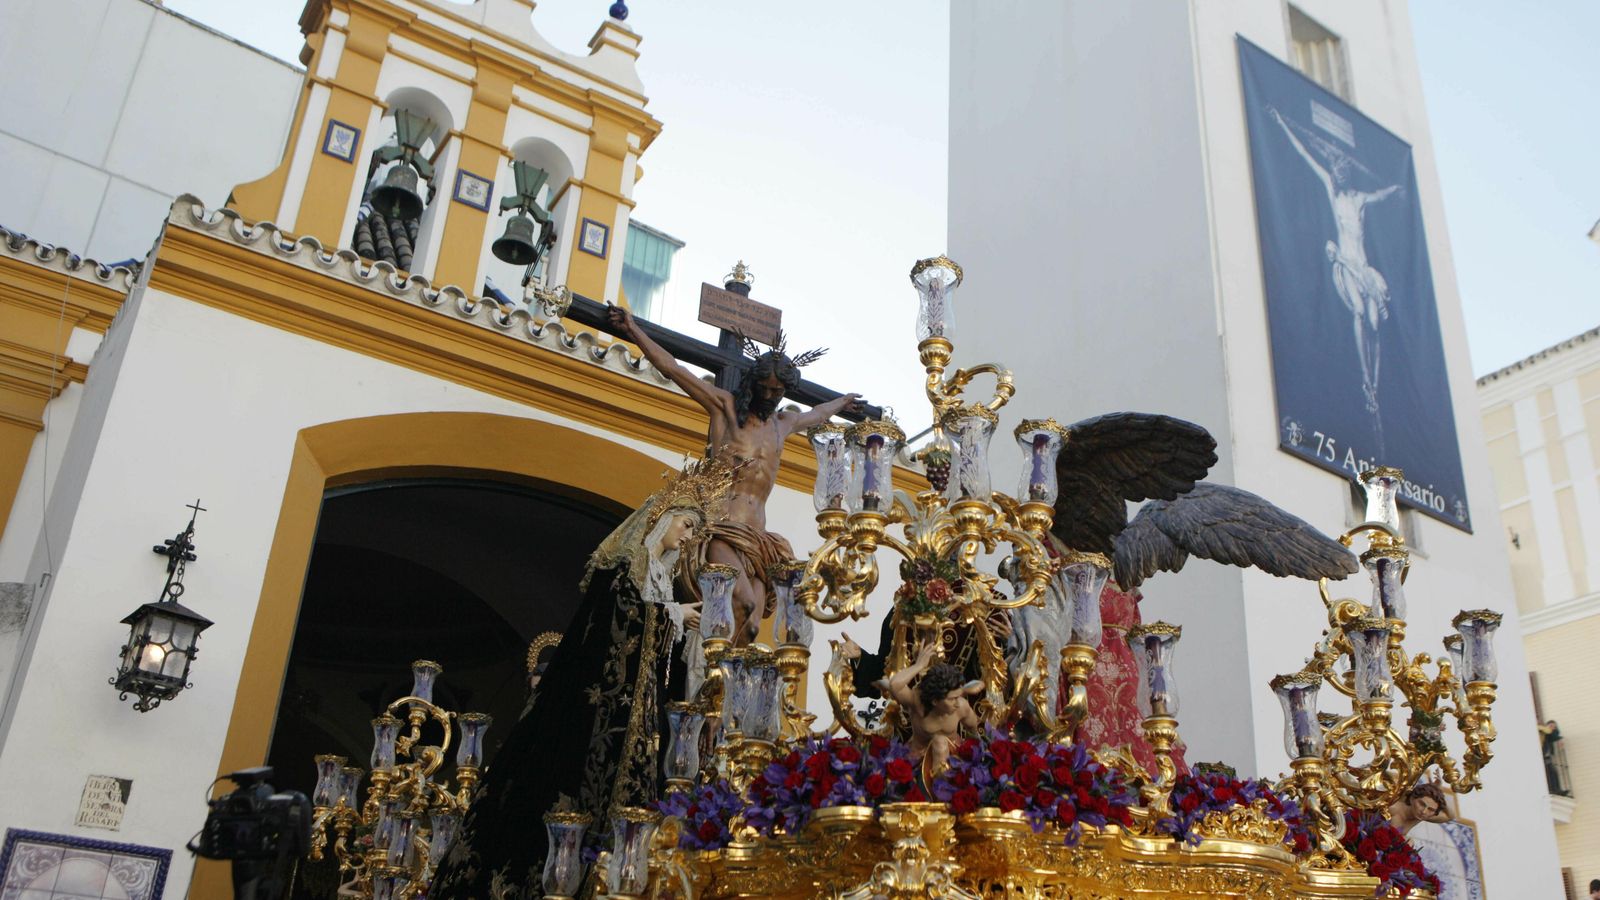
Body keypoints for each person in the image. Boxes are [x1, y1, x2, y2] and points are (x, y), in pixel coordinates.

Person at [430, 458, 734, 899]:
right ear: (664, 516)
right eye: (686, 525)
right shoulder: (622, 568)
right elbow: (614, 622)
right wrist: (669, 616)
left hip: (637, 713)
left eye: (692, 531)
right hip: (596, 712)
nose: (687, 538)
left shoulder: (662, 580)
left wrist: (682, 629)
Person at [608, 303, 864, 643]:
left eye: (779, 392)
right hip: (722, 530)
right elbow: (673, 368)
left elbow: (817, 414)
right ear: (754, 383)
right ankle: (710, 681)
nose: (772, 397)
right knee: (741, 603)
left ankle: (720, 690)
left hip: (760, 539)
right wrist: (633, 329)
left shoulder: (782, 424)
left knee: (753, 629)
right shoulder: (726, 409)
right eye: (767, 389)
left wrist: (842, 403)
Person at [1268, 106, 1401, 415]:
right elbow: (1304, 155)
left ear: (1348, 172)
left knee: (1374, 325)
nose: (1339, 173)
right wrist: (1281, 121)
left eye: (1343, 169)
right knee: (1357, 312)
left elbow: (1381, 193)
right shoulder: (1333, 191)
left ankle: (1376, 386)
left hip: (1364, 268)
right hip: (1345, 263)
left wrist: (1396, 188)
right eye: (1336, 168)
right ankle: (1365, 380)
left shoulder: (1359, 199)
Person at [887, 641, 983, 780]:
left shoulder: (961, 707)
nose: (957, 703)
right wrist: (919, 666)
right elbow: (895, 684)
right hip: (916, 760)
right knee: (939, 741)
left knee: (940, 742)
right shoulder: (917, 703)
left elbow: (975, 735)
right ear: (935, 701)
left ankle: (942, 791)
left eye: (958, 696)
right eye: (952, 699)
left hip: (952, 760)